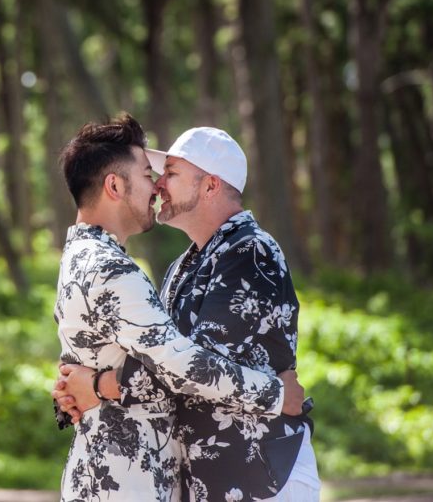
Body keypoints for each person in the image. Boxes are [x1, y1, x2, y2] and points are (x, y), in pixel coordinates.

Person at [55, 127, 320, 502]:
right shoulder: (183, 266)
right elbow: (162, 359)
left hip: (259, 473)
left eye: (171, 173)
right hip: (208, 479)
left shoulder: (249, 253)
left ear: (210, 185)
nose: (160, 184)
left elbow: (187, 366)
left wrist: (97, 386)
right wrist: (80, 384)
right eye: (155, 174)